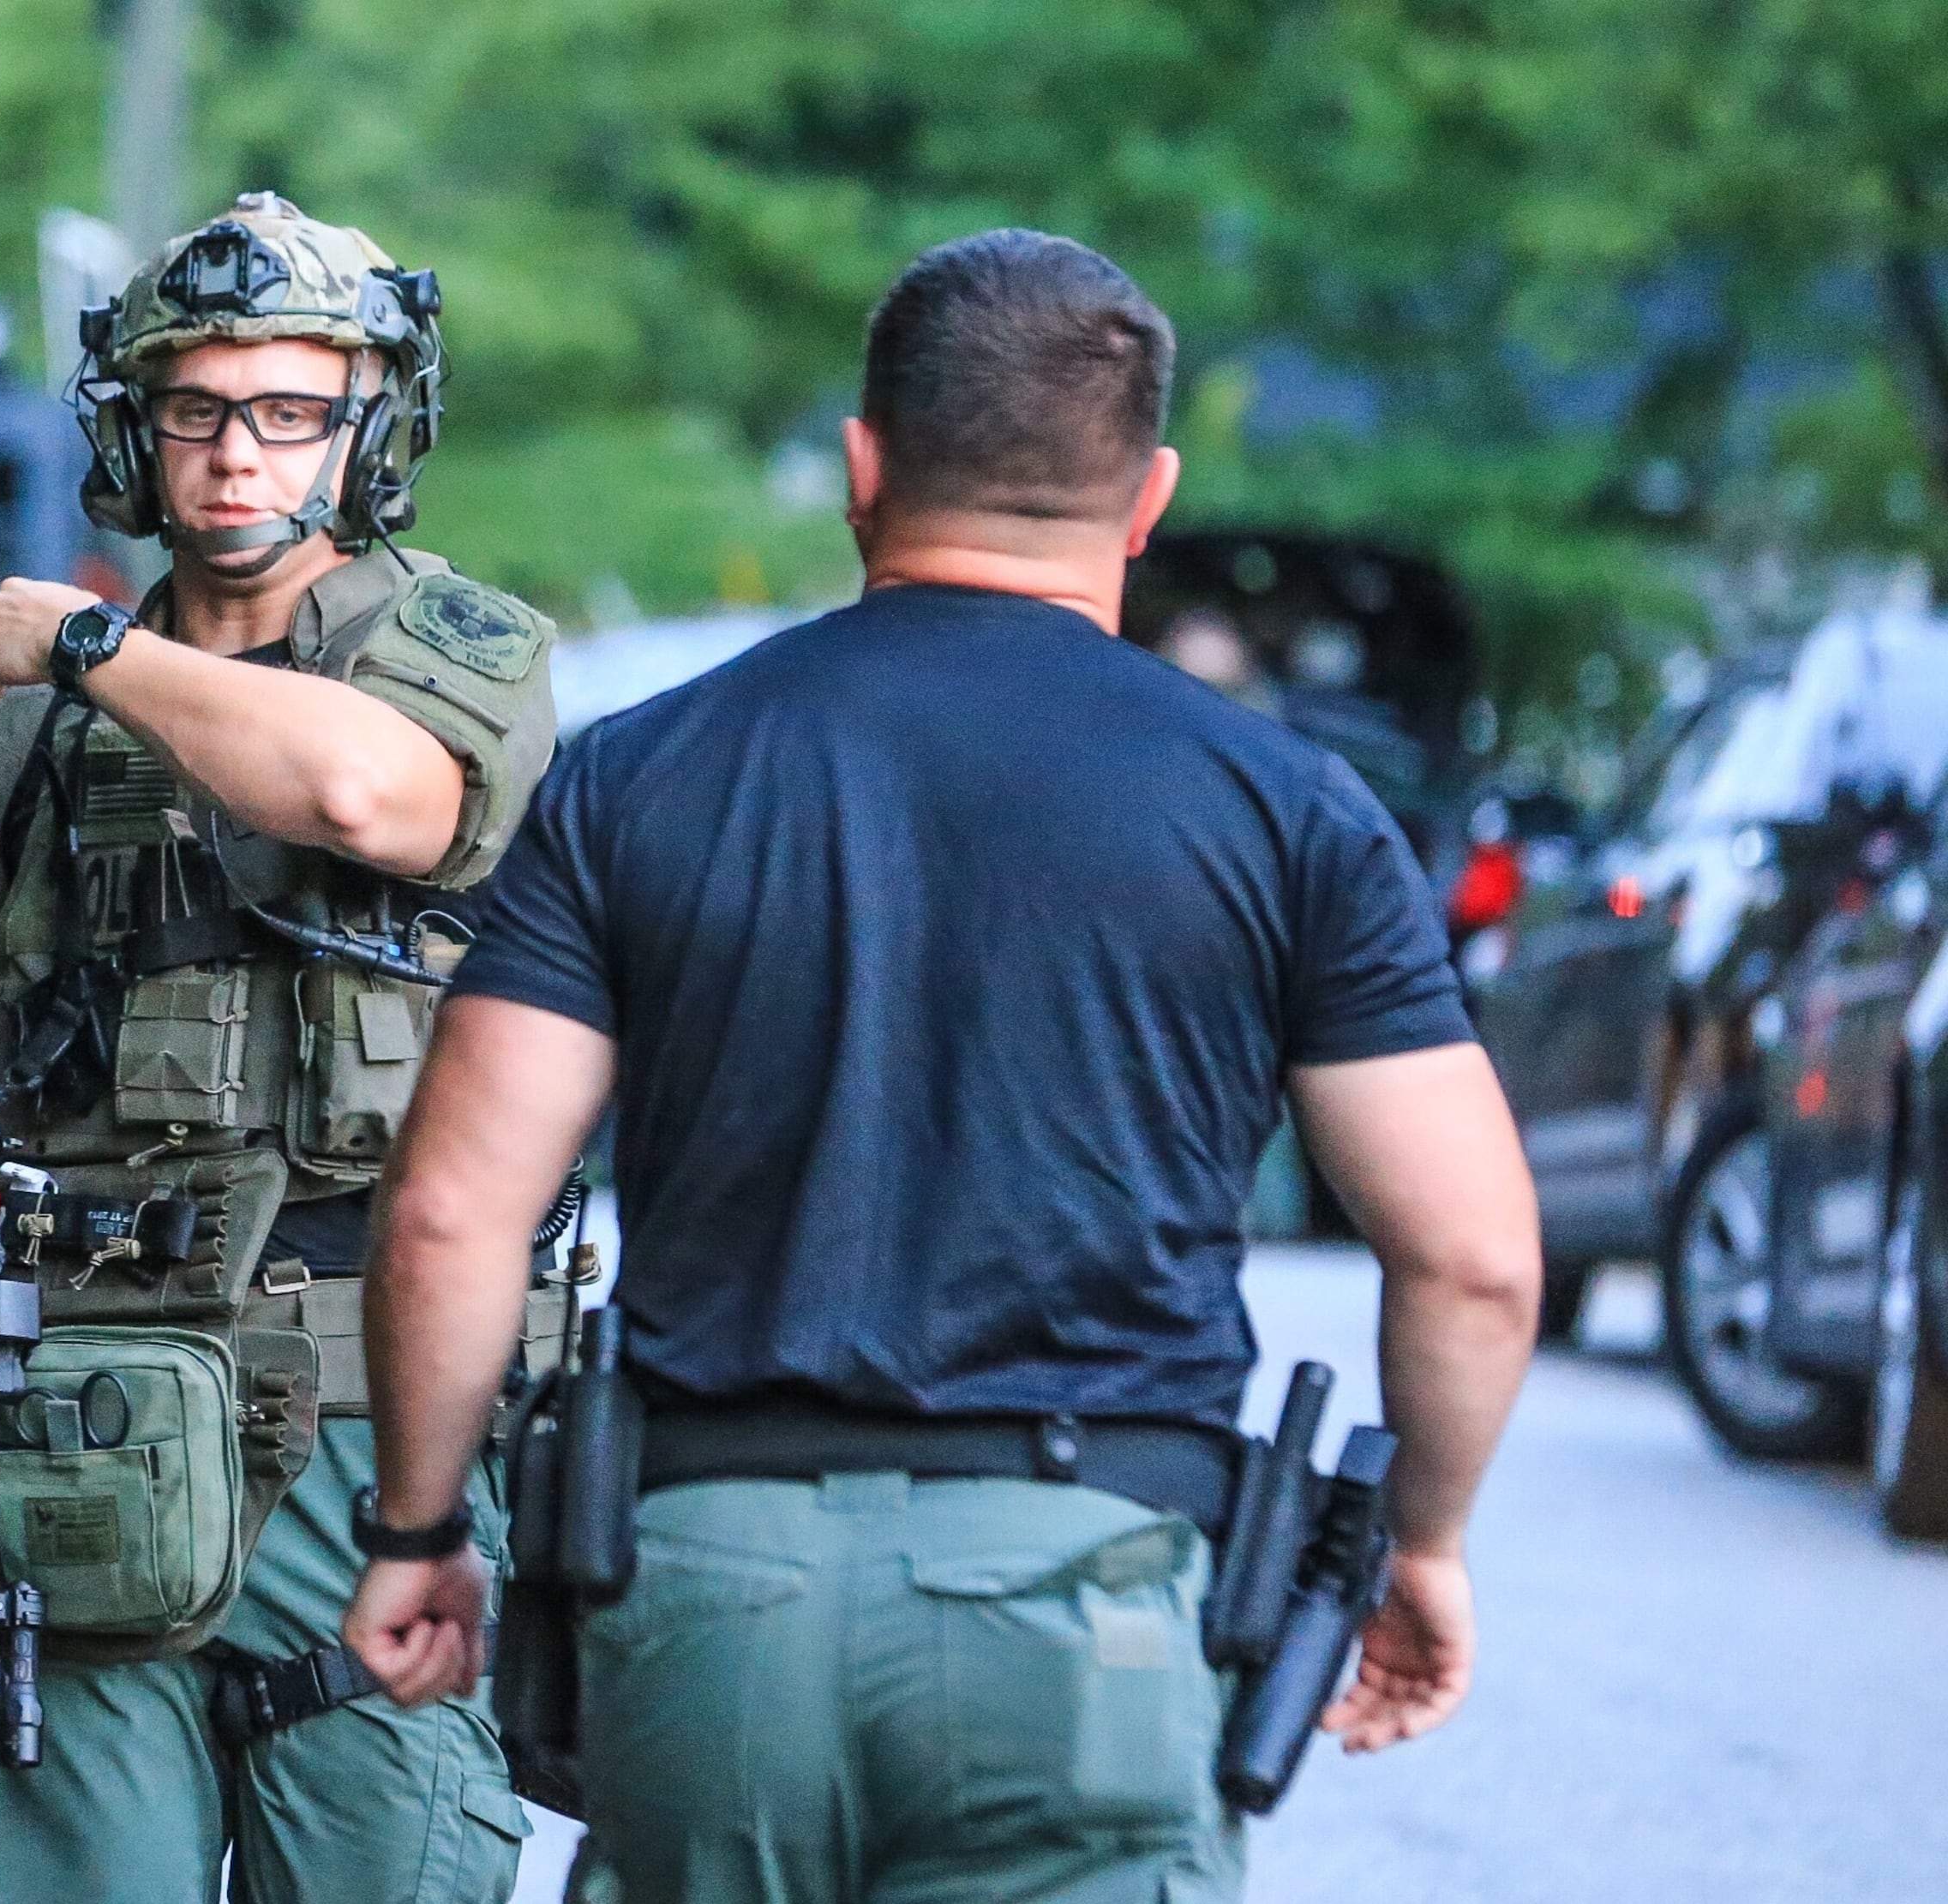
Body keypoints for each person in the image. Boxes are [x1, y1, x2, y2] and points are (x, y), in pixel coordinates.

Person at [339, 230, 1543, 1902]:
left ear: (861, 466)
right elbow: (1474, 1258)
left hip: (706, 1595)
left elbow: (453, 1211)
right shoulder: (1292, 815)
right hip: (1090, 1602)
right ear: (1150, 496)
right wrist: (1420, 1542)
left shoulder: (639, 778)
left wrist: (418, 1532)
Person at [0, 194, 557, 1903]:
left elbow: (368, 795)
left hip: (365, 1426)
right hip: (86, 1421)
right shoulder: (21, 720)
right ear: (137, 430)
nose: (235, 459)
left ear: (370, 426)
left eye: (289, 412)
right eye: (195, 410)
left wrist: (89, 646)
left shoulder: (453, 651)